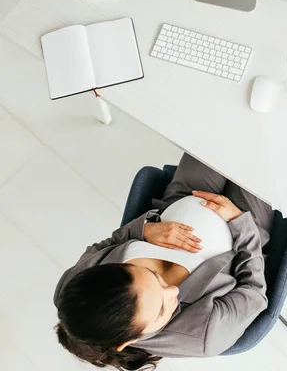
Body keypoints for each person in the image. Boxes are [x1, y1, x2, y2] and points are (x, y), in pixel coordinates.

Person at [53, 153, 274, 370]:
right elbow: (254, 292)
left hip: (183, 197)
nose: (173, 293)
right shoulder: (201, 334)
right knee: (266, 155)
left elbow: (106, 244)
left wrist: (144, 230)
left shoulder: (73, 286)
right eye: (160, 310)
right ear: (127, 343)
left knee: (219, 129)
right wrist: (241, 224)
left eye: (154, 277)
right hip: (247, 227)